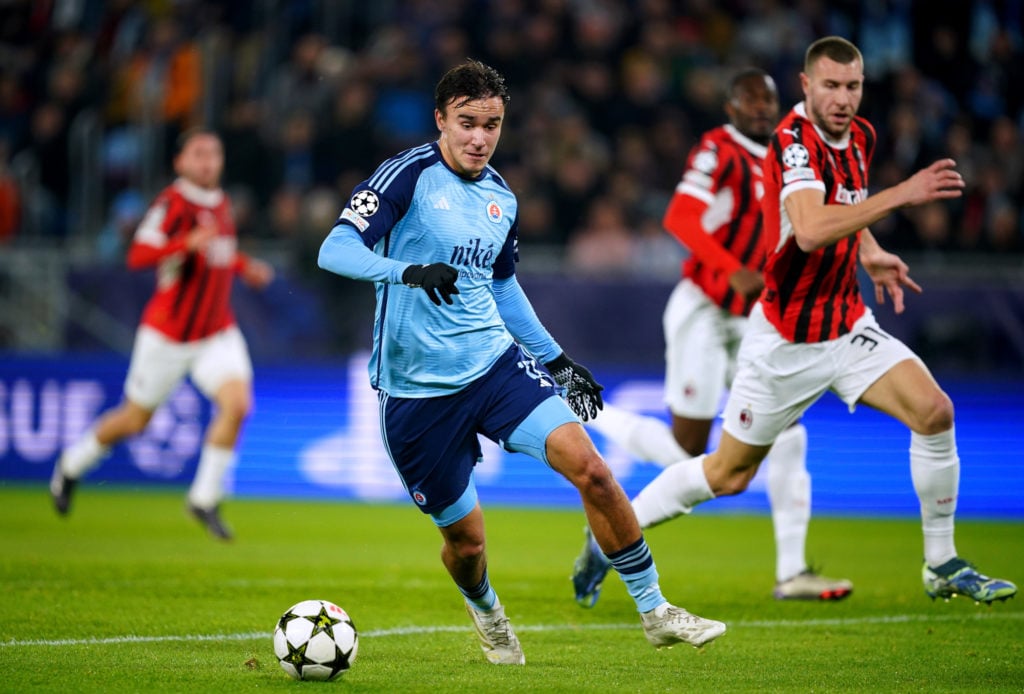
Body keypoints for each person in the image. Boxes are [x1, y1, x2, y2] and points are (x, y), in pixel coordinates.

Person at [316, 60, 725, 666]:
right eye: (467, 123)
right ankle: (486, 610)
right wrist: (407, 271)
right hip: (416, 394)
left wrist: (557, 361)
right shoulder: (406, 177)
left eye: (492, 124)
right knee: (467, 544)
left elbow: (503, 289)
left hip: (495, 367)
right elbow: (335, 249)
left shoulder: (500, 197)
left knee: (593, 471)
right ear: (441, 120)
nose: (480, 138)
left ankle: (656, 610)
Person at [586, 36, 1017, 606]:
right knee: (724, 474)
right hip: (786, 339)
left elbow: (844, 205)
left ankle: (940, 563)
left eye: (853, 86)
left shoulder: (859, 135)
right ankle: (607, 538)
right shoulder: (792, 143)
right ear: (806, 86)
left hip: (846, 323)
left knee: (935, 412)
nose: (843, 98)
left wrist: (869, 251)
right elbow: (811, 228)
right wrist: (902, 195)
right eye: (831, 86)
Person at [576, 68, 853, 607]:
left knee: (790, 433)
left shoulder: (789, 154)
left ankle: (792, 571)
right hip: (704, 307)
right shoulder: (718, 149)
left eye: (767, 101)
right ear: (729, 107)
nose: (760, 110)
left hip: (755, 317)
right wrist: (730, 268)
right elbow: (680, 217)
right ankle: (593, 419)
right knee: (687, 451)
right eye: (749, 101)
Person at [50, 128, 275, 541]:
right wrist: (183, 243)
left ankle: (204, 499)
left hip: (216, 332)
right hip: (168, 336)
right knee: (135, 420)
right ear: (180, 163)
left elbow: (220, 251)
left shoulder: (220, 202)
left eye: (214, 153)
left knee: (238, 404)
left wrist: (246, 268)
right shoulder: (171, 205)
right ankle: (70, 464)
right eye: (198, 154)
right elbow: (138, 254)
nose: (207, 161)